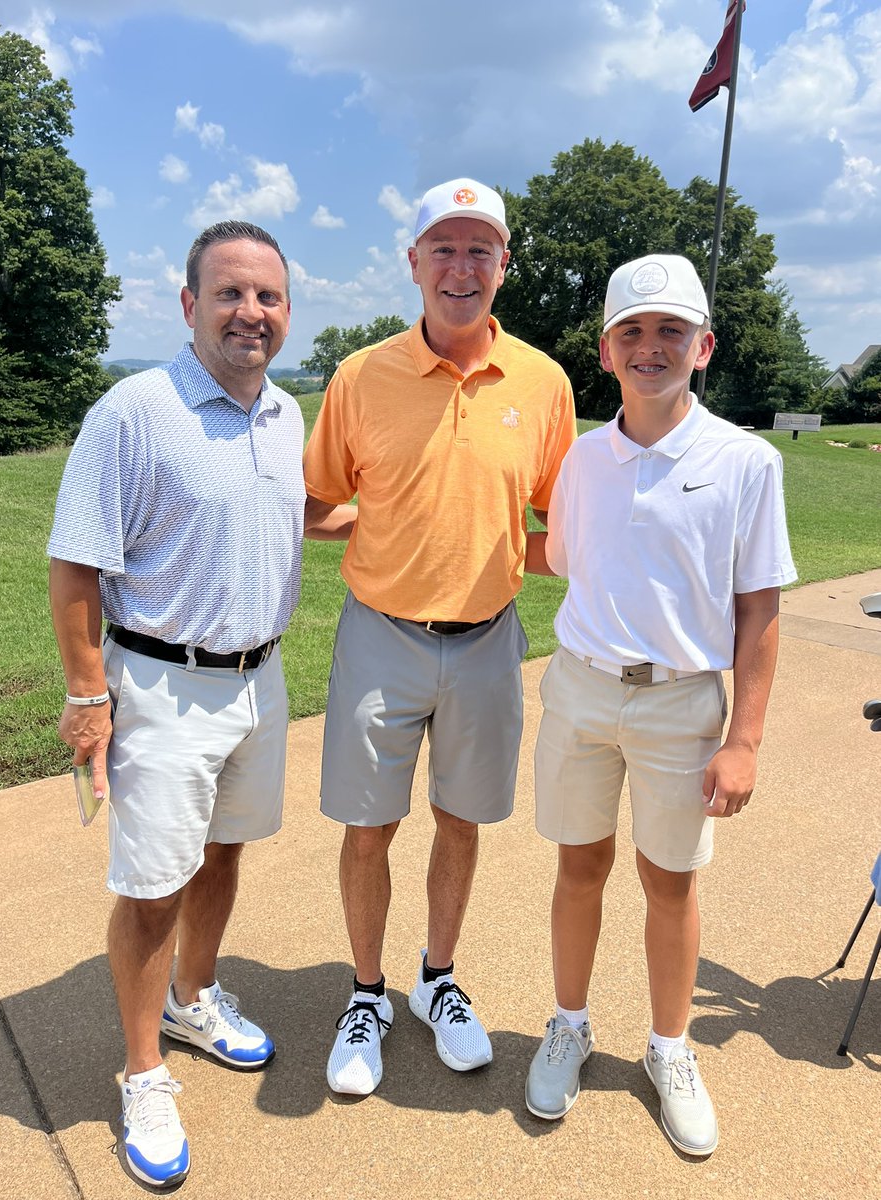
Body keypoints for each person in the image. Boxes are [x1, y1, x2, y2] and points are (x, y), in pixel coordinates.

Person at [48, 221, 307, 1189]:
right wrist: (86, 695)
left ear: (287, 313)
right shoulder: (135, 411)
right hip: (159, 683)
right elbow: (75, 562)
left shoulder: (285, 415)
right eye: (231, 294)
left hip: (259, 680)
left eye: (269, 297)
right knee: (153, 886)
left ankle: (192, 998)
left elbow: (295, 515)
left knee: (223, 852)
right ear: (190, 303)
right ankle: (142, 1069)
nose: (252, 313)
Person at [303, 178, 576, 1096]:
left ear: (504, 264)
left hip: (491, 636)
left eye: (480, 249)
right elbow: (315, 504)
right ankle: (367, 992)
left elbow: (557, 527)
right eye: (444, 248)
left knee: (461, 820)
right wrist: (382, 527)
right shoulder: (360, 375)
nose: (462, 267)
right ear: (413, 262)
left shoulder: (543, 383)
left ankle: (437, 980)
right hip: (382, 634)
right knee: (369, 826)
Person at [523, 254, 797, 1155]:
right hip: (580, 686)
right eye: (631, 332)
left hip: (683, 704)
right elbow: (558, 559)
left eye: (671, 331)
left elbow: (759, 606)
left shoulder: (746, 461)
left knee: (670, 883)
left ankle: (669, 1049)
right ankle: (569, 1024)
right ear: (605, 351)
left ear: (704, 346)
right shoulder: (581, 460)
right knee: (579, 865)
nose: (650, 348)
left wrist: (746, 739)